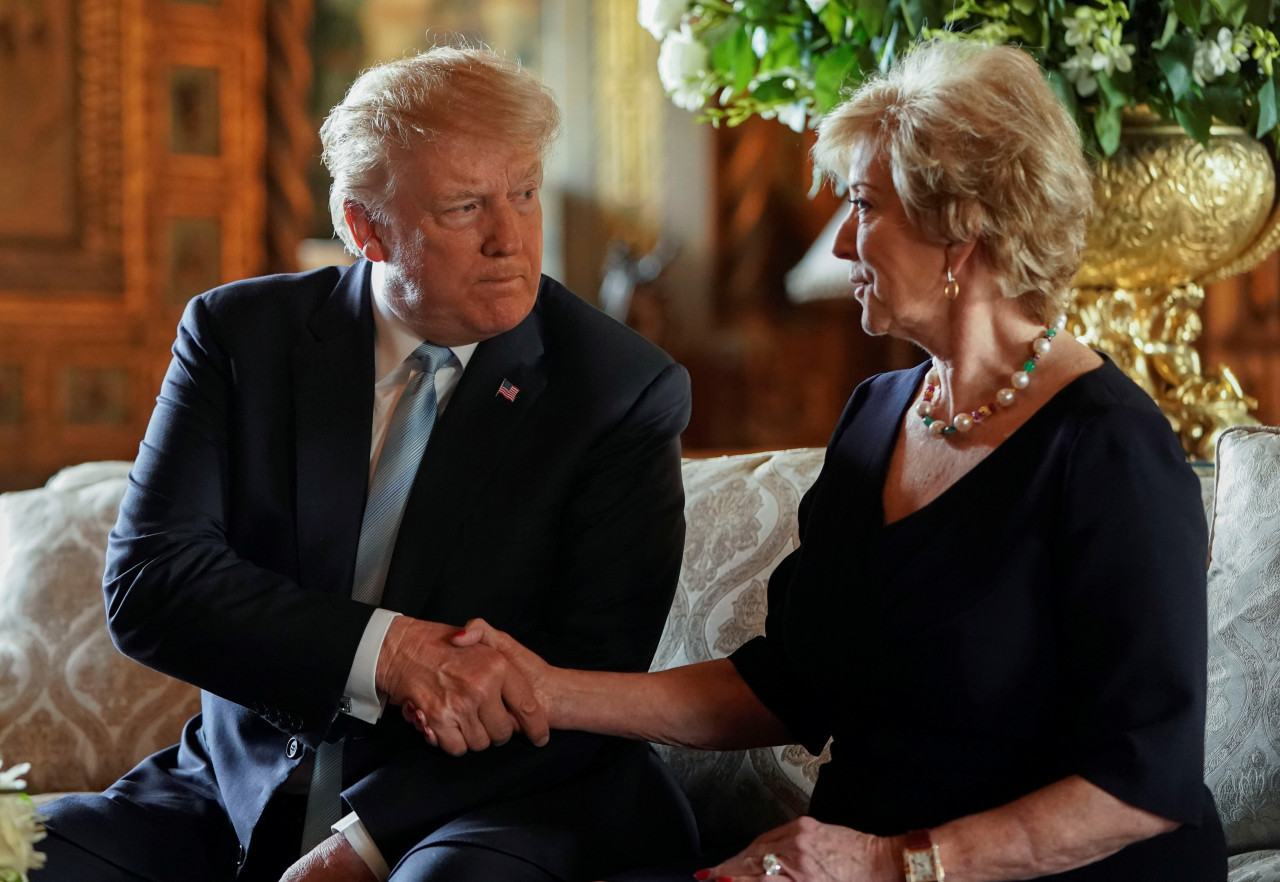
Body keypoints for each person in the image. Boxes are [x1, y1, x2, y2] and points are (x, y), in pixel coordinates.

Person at [439, 41, 1228, 881]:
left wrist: (892, 864)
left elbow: (1141, 786)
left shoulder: (1110, 448)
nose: (845, 244)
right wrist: (547, 688)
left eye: (864, 206)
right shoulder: (879, 414)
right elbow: (788, 682)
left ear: (959, 230)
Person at [37, 46, 697, 882]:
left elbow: (590, 681)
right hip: (238, 789)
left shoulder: (619, 389)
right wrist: (387, 653)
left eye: (524, 193)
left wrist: (366, 842)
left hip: (492, 803)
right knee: (28, 853)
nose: (511, 239)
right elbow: (151, 584)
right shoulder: (240, 337)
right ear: (365, 228)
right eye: (464, 208)